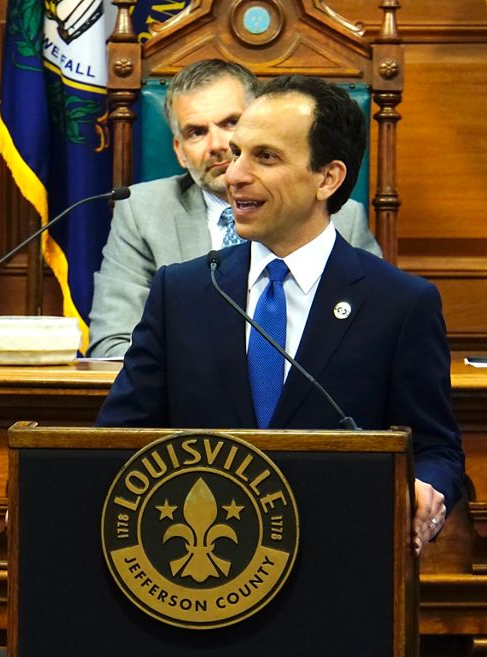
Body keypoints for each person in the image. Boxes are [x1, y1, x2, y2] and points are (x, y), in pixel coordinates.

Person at [96, 75, 463, 555]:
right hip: (200, 571)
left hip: (340, 562)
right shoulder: (181, 292)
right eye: (238, 153)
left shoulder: (399, 303)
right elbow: (114, 441)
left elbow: (436, 450)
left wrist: (426, 488)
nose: (234, 175)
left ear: (327, 179)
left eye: (265, 157)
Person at [86, 59, 380, 358]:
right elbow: (112, 346)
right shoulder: (142, 212)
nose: (218, 145)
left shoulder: (341, 218)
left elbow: (373, 343)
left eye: (231, 123)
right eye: (196, 132)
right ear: (180, 151)